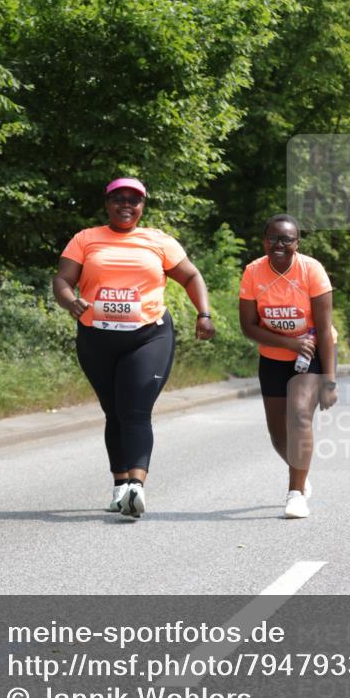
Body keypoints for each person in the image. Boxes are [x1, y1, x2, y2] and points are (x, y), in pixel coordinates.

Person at [52, 177, 215, 519]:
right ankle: (119, 486)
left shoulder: (158, 241)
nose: (126, 205)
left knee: (136, 411)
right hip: (97, 336)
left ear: (142, 206)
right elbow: (63, 280)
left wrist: (204, 314)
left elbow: (191, 276)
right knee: (113, 411)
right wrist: (71, 302)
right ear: (107, 203)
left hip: (148, 335)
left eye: (134, 200)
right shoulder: (86, 239)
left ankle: (136, 487)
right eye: (119, 199)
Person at [238, 214, 337, 519]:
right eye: (273, 238)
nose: (279, 244)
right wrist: (289, 344)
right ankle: (302, 474)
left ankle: (295, 494)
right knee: (278, 435)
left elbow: (323, 330)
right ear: (264, 240)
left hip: (313, 355)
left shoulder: (311, 271)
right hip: (274, 356)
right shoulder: (254, 272)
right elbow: (248, 326)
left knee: (298, 416)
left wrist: (329, 382)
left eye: (287, 239)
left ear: (297, 243)